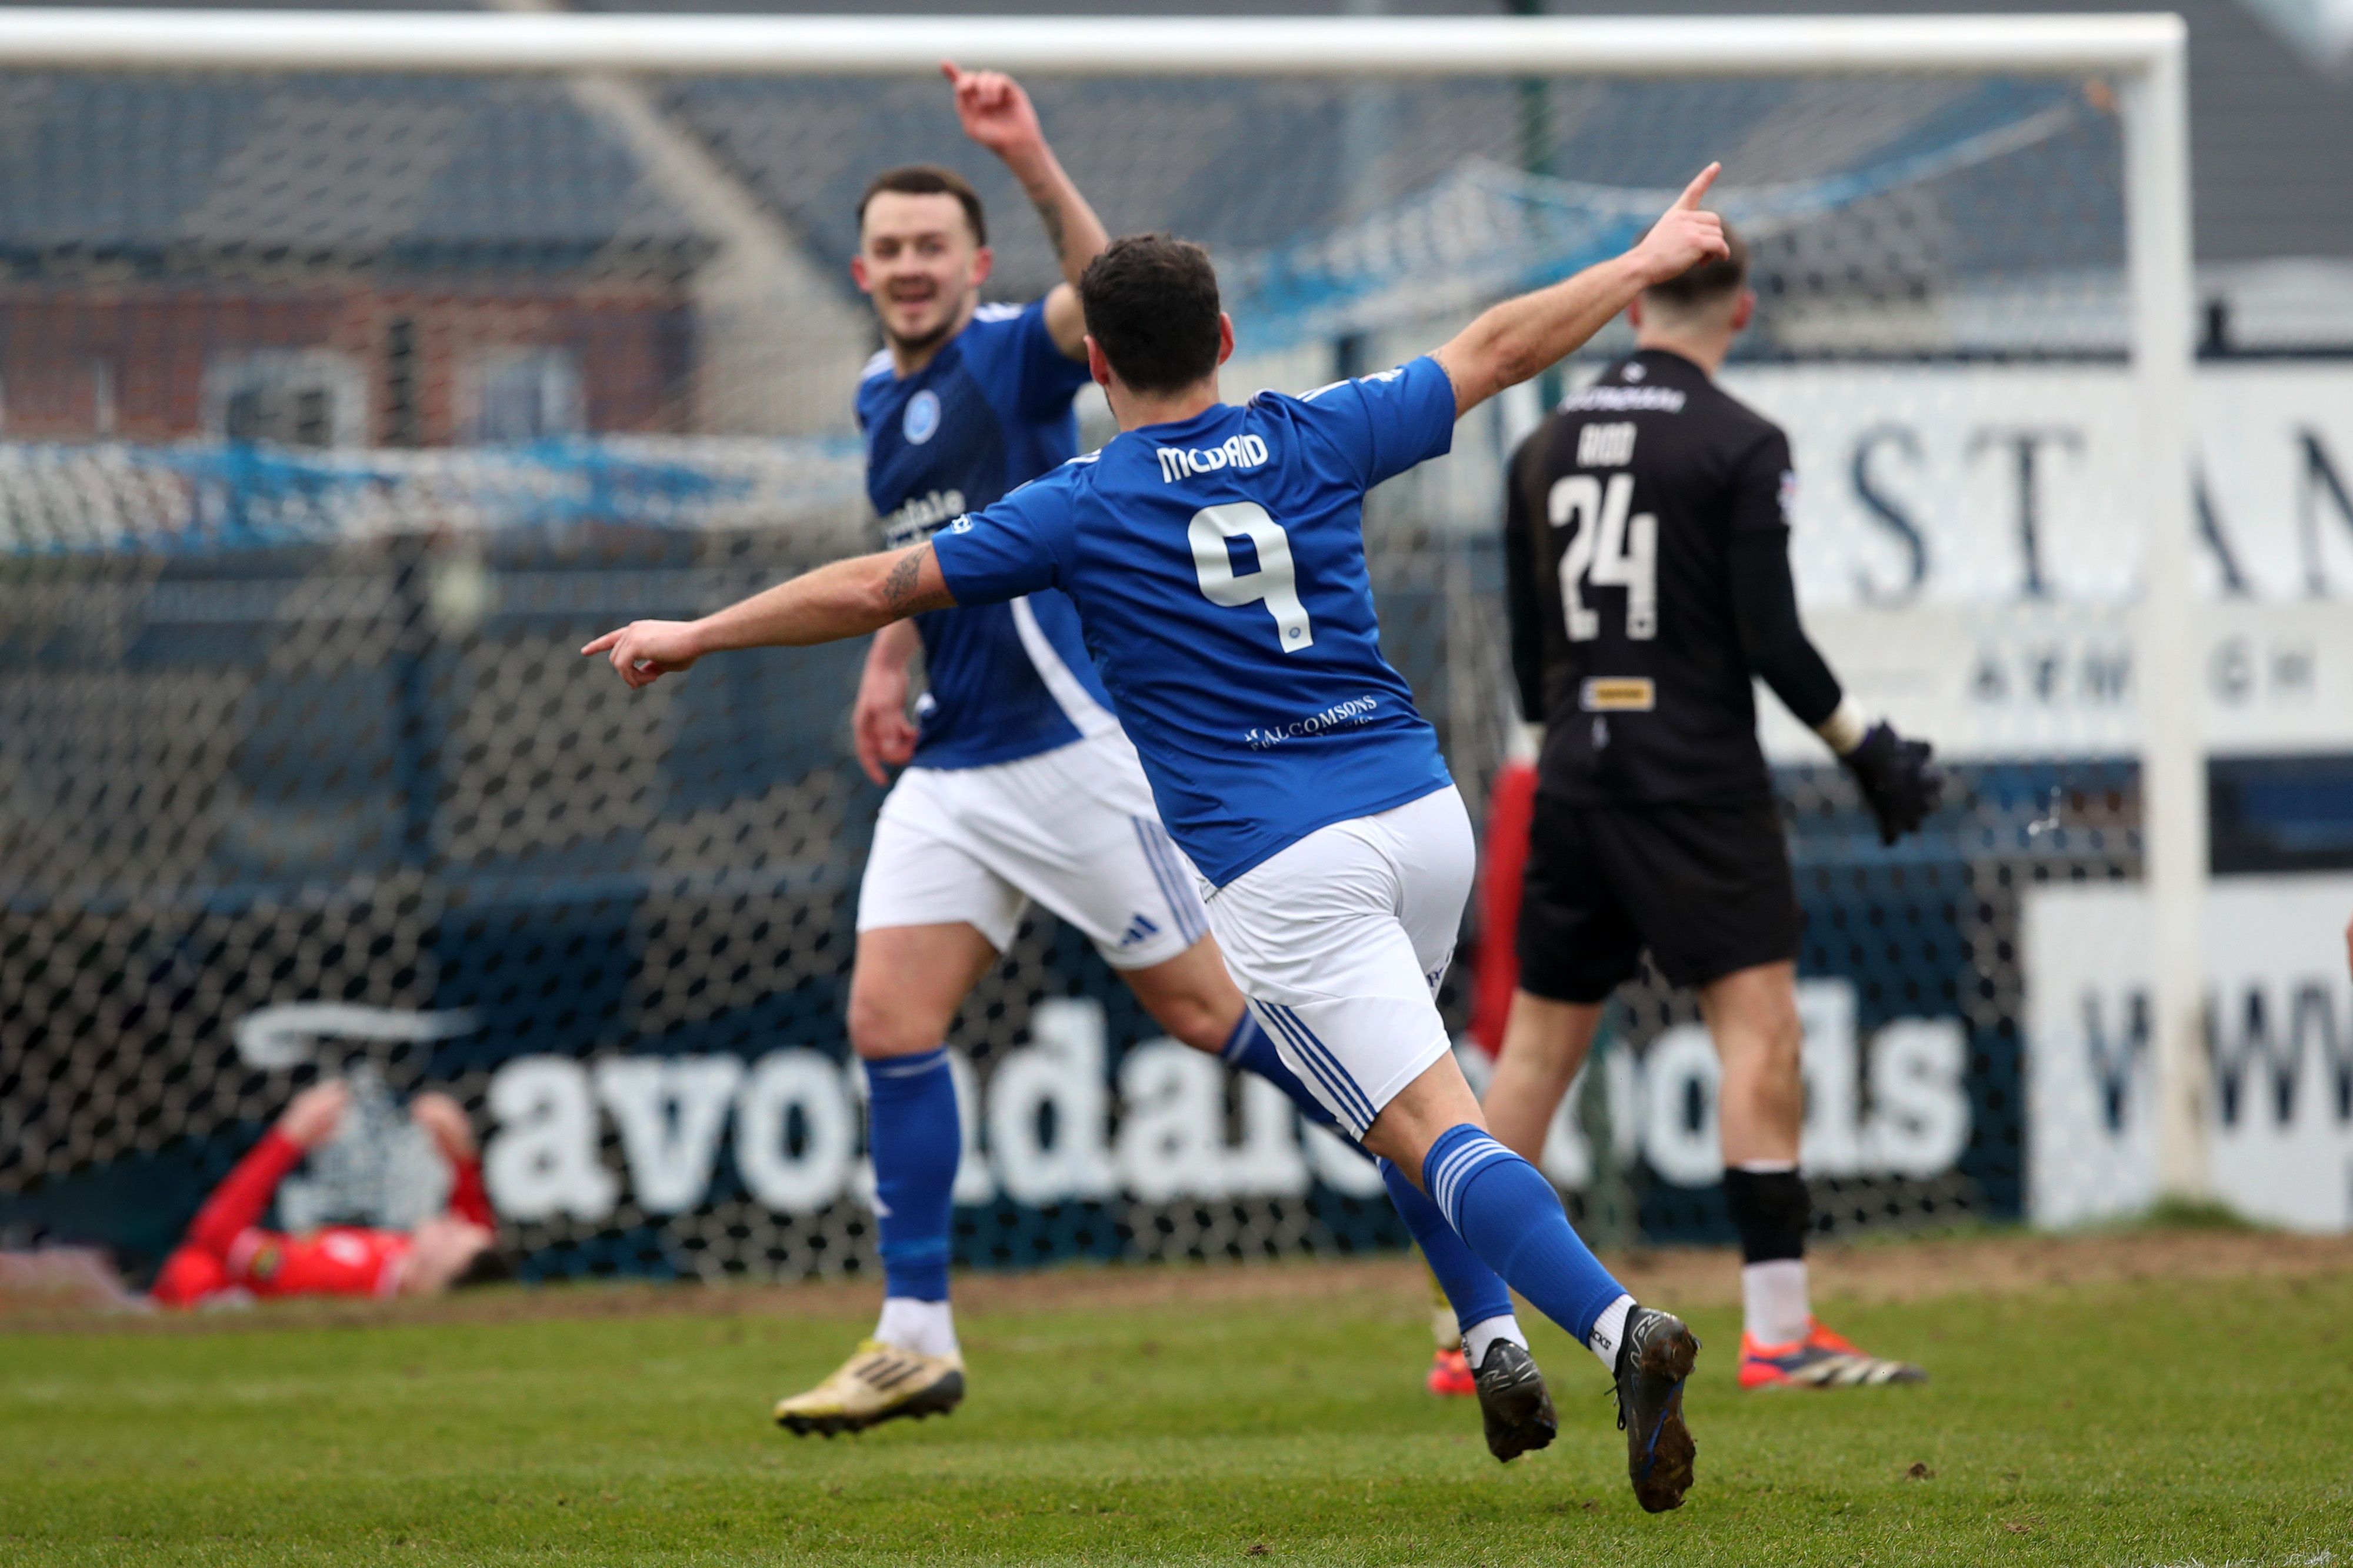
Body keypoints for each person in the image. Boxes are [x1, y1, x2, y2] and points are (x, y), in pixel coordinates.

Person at [585, 165, 1739, 1513]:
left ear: (1097, 361)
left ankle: (1613, 1328)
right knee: (1421, 1117)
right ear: (1229, 341)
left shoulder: (1082, 501)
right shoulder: (1316, 431)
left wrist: (699, 631)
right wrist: (1638, 257)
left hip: (1281, 861)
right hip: (1423, 817)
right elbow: (1494, 345)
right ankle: (1492, 1332)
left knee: (1428, 1124)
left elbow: (875, 581)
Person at [771, 62, 1537, 1450]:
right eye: (886, 247)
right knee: (887, 1019)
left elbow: (1118, 293)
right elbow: (912, 561)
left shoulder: (1011, 350)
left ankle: (1464, 1238)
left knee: (1227, 1020)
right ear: (860, 264)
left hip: (1072, 753)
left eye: (930, 244)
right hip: (956, 761)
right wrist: (888, 666)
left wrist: (1028, 152)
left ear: (975, 260)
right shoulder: (879, 399)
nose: (906, 266)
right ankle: (915, 1337)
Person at [1485, 221, 1940, 1391]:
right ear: (1738, 311)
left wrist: (1562, 756)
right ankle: (1778, 1331)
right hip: (1694, 774)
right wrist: (1864, 748)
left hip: (1574, 768)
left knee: (1535, 1050)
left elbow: (1530, 649)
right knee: (1757, 1028)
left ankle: (1468, 1334)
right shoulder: (1741, 439)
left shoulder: (1537, 444)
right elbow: (1770, 638)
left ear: (1634, 306)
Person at [152, 1081, 498, 1307]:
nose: (454, 1220)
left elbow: (214, 1236)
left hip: (167, 1313)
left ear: (430, 1283)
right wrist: (461, 1158)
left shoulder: (338, 1283)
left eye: (452, 1235)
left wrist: (289, 1138)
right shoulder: (396, 1265)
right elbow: (480, 1251)